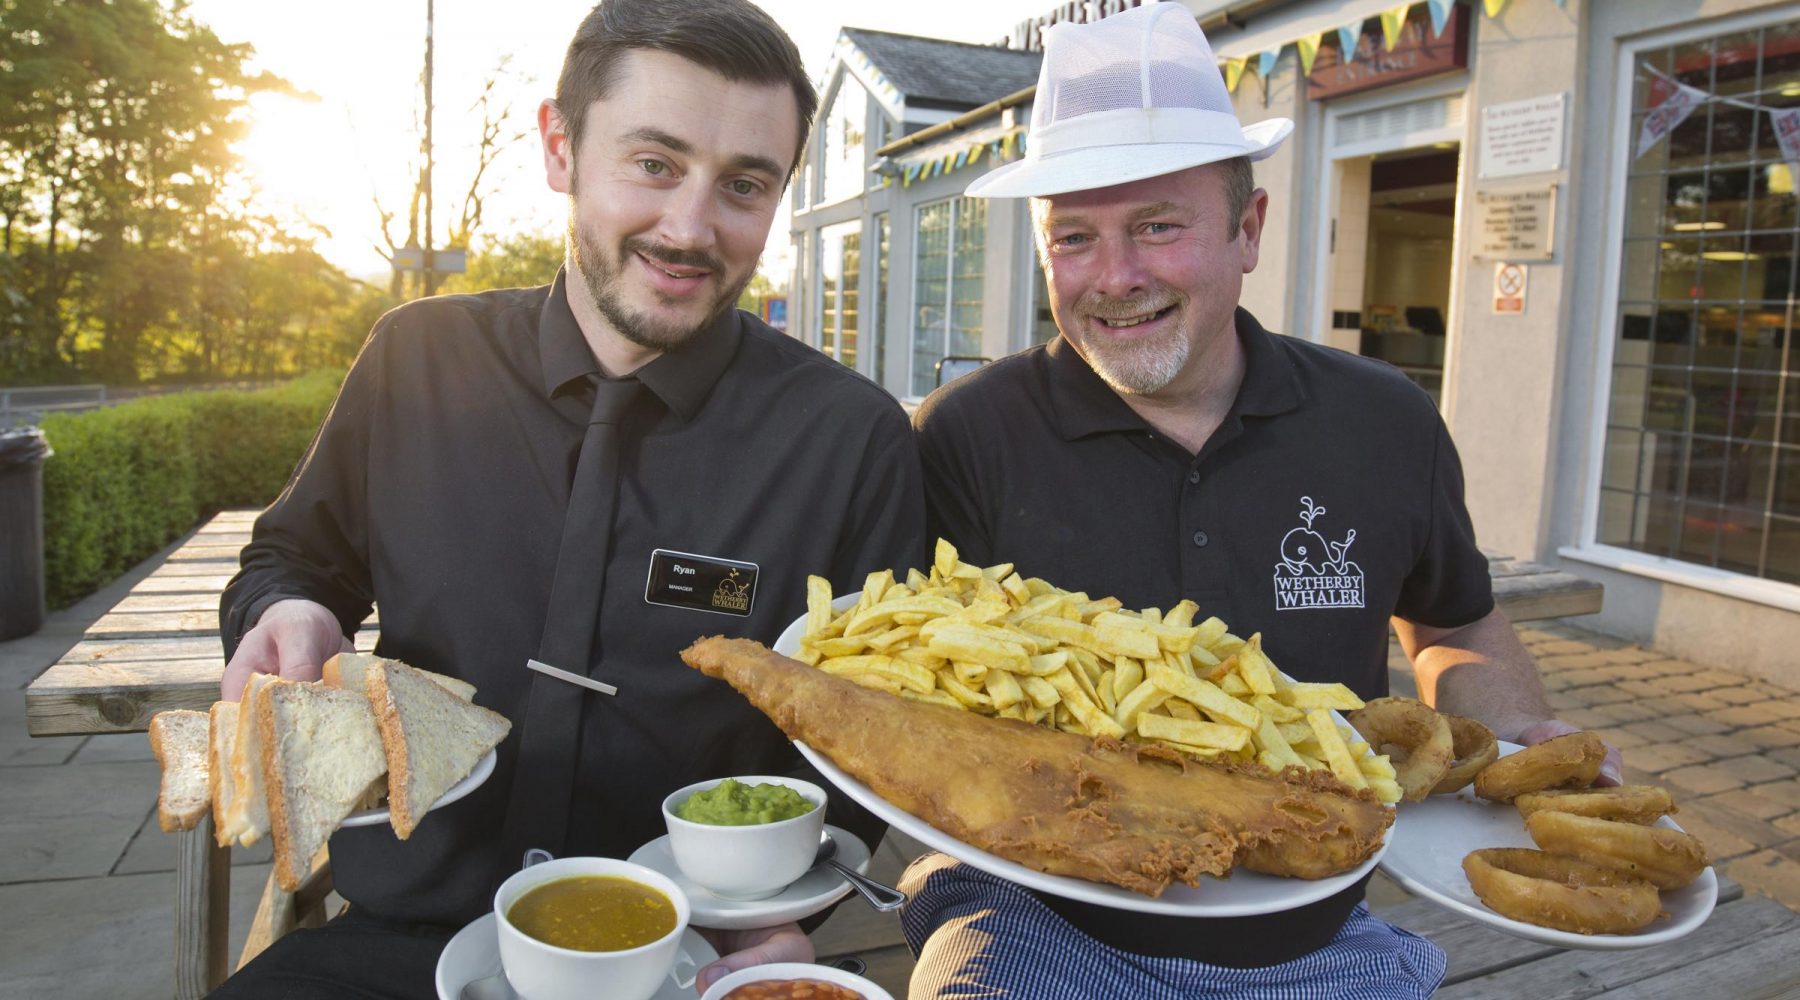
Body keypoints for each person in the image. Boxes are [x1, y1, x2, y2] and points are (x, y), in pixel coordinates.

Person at [214, 1, 926, 995]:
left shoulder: (850, 438)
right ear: (561, 146)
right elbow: (294, 562)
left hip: (688, 952)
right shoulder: (416, 358)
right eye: (654, 163)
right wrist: (288, 610)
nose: (690, 227)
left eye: (744, 185)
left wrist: (786, 914)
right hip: (403, 935)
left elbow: (877, 735)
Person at [906, 4, 1618, 997]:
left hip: (1316, 928)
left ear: (1249, 229)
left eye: (1158, 225)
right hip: (1032, 913)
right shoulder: (963, 435)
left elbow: (1454, 624)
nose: (1114, 278)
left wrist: (1518, 741)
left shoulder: (1386, 421)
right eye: (1074, 237)